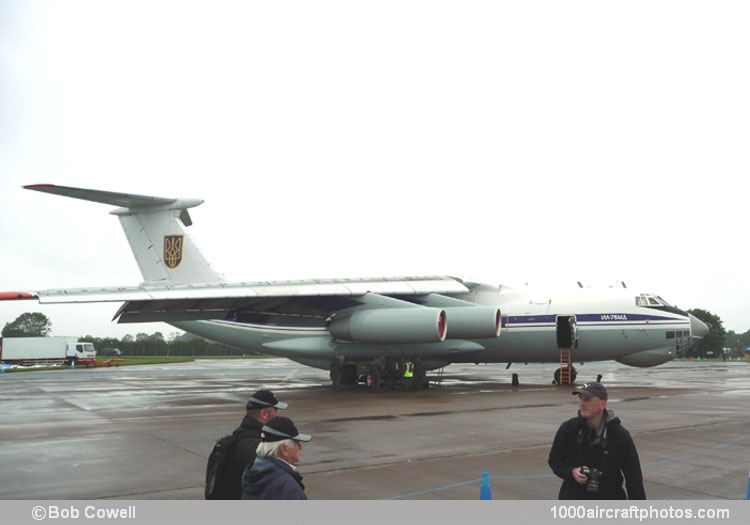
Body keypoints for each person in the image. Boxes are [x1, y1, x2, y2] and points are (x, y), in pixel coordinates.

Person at [548, 382, 646, 499]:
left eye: (588, 399)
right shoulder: (569, 428)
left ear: (602, 404)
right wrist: (572, 472)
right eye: (581, 398)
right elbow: (555, 461)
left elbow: (633, 477)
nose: (582, 403)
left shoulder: (619, 435)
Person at [215, 390, 288, 499]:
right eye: (276, 410)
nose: (277, 415)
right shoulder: (257, 448)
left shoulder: (238, 437)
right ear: (264, 414)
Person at [241, 416, 312, 500]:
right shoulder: (286, 487)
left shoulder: (253, 471)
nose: (300, 447)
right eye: (296, 442)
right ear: (284, 449)